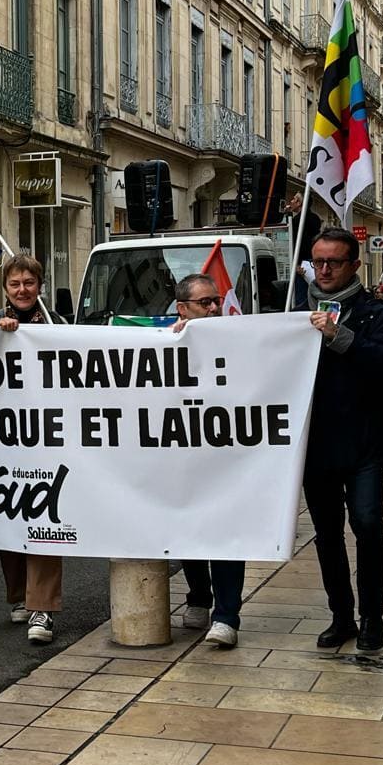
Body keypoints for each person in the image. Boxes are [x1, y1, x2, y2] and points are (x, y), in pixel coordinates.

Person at [302, 227, 383, 653]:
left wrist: (338, 336)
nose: (323, 270)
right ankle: (341, 616)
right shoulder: (293, 309)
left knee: (366, 524)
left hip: (363, 443)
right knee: (327, 534)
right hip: (315, 446)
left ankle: (372, 619)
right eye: (317, 262)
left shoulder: (373, 311)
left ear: (354, 266)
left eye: (333, 262)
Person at [0, 254, 62, 645]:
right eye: (15, 284)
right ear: (6, 289)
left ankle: (41, 606)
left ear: (39, 285)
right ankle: (19, 596)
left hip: (47, 439)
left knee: (45, 518)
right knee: (9, 517)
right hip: (2, 440)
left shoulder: (59, 324)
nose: (23, 290)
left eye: (29, 282)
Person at [169, 273, 244, 648]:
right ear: (182, 308)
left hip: (227, 454)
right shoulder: (167, 341)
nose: (215, 307)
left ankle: (227, 615)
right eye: (205, 303)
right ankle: (199, 595)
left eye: (216, 300)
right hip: (184, 456)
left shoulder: (237, 338)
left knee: (227, 530)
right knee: (191, 529)